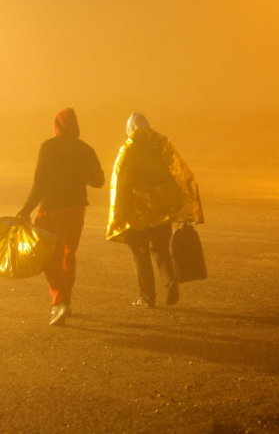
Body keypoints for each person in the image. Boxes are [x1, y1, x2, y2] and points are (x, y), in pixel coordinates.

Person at [17, 108, 105, 326]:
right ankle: (65, 300)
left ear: (56, 126)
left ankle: (59, 302)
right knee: (68, 254)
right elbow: (98, 182)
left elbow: (40, 183)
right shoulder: (86, 149)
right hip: (76, 210)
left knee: (50, 256)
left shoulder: (48, 147)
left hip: (52, 210)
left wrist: (27, 208)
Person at [107, 113, 204, 308]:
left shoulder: (129, 149)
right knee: (161, 250)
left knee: (140, 254)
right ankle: (170, 284)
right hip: (161, 210)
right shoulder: (161, 145)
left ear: (130, 129)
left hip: (137, 214)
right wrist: (179, 207)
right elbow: (178, 173)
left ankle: (147, 296)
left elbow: (120, 182)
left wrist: (119, 212)